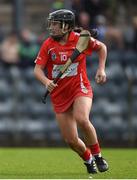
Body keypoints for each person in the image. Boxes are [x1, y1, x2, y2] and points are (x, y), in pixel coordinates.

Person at [34, 9, 109, 174]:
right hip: (59, 94)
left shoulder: (80, 39)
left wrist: (101, 69)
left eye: (55, 24)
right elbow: (37, 70)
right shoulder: (48, 45)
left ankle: (98, 156)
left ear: (66, 26)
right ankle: (88, 159)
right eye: (51, 23)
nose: (51, 27)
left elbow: (102, 48)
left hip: (79, 87)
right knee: (71, 140)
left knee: (82, 119)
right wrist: (46, 82)